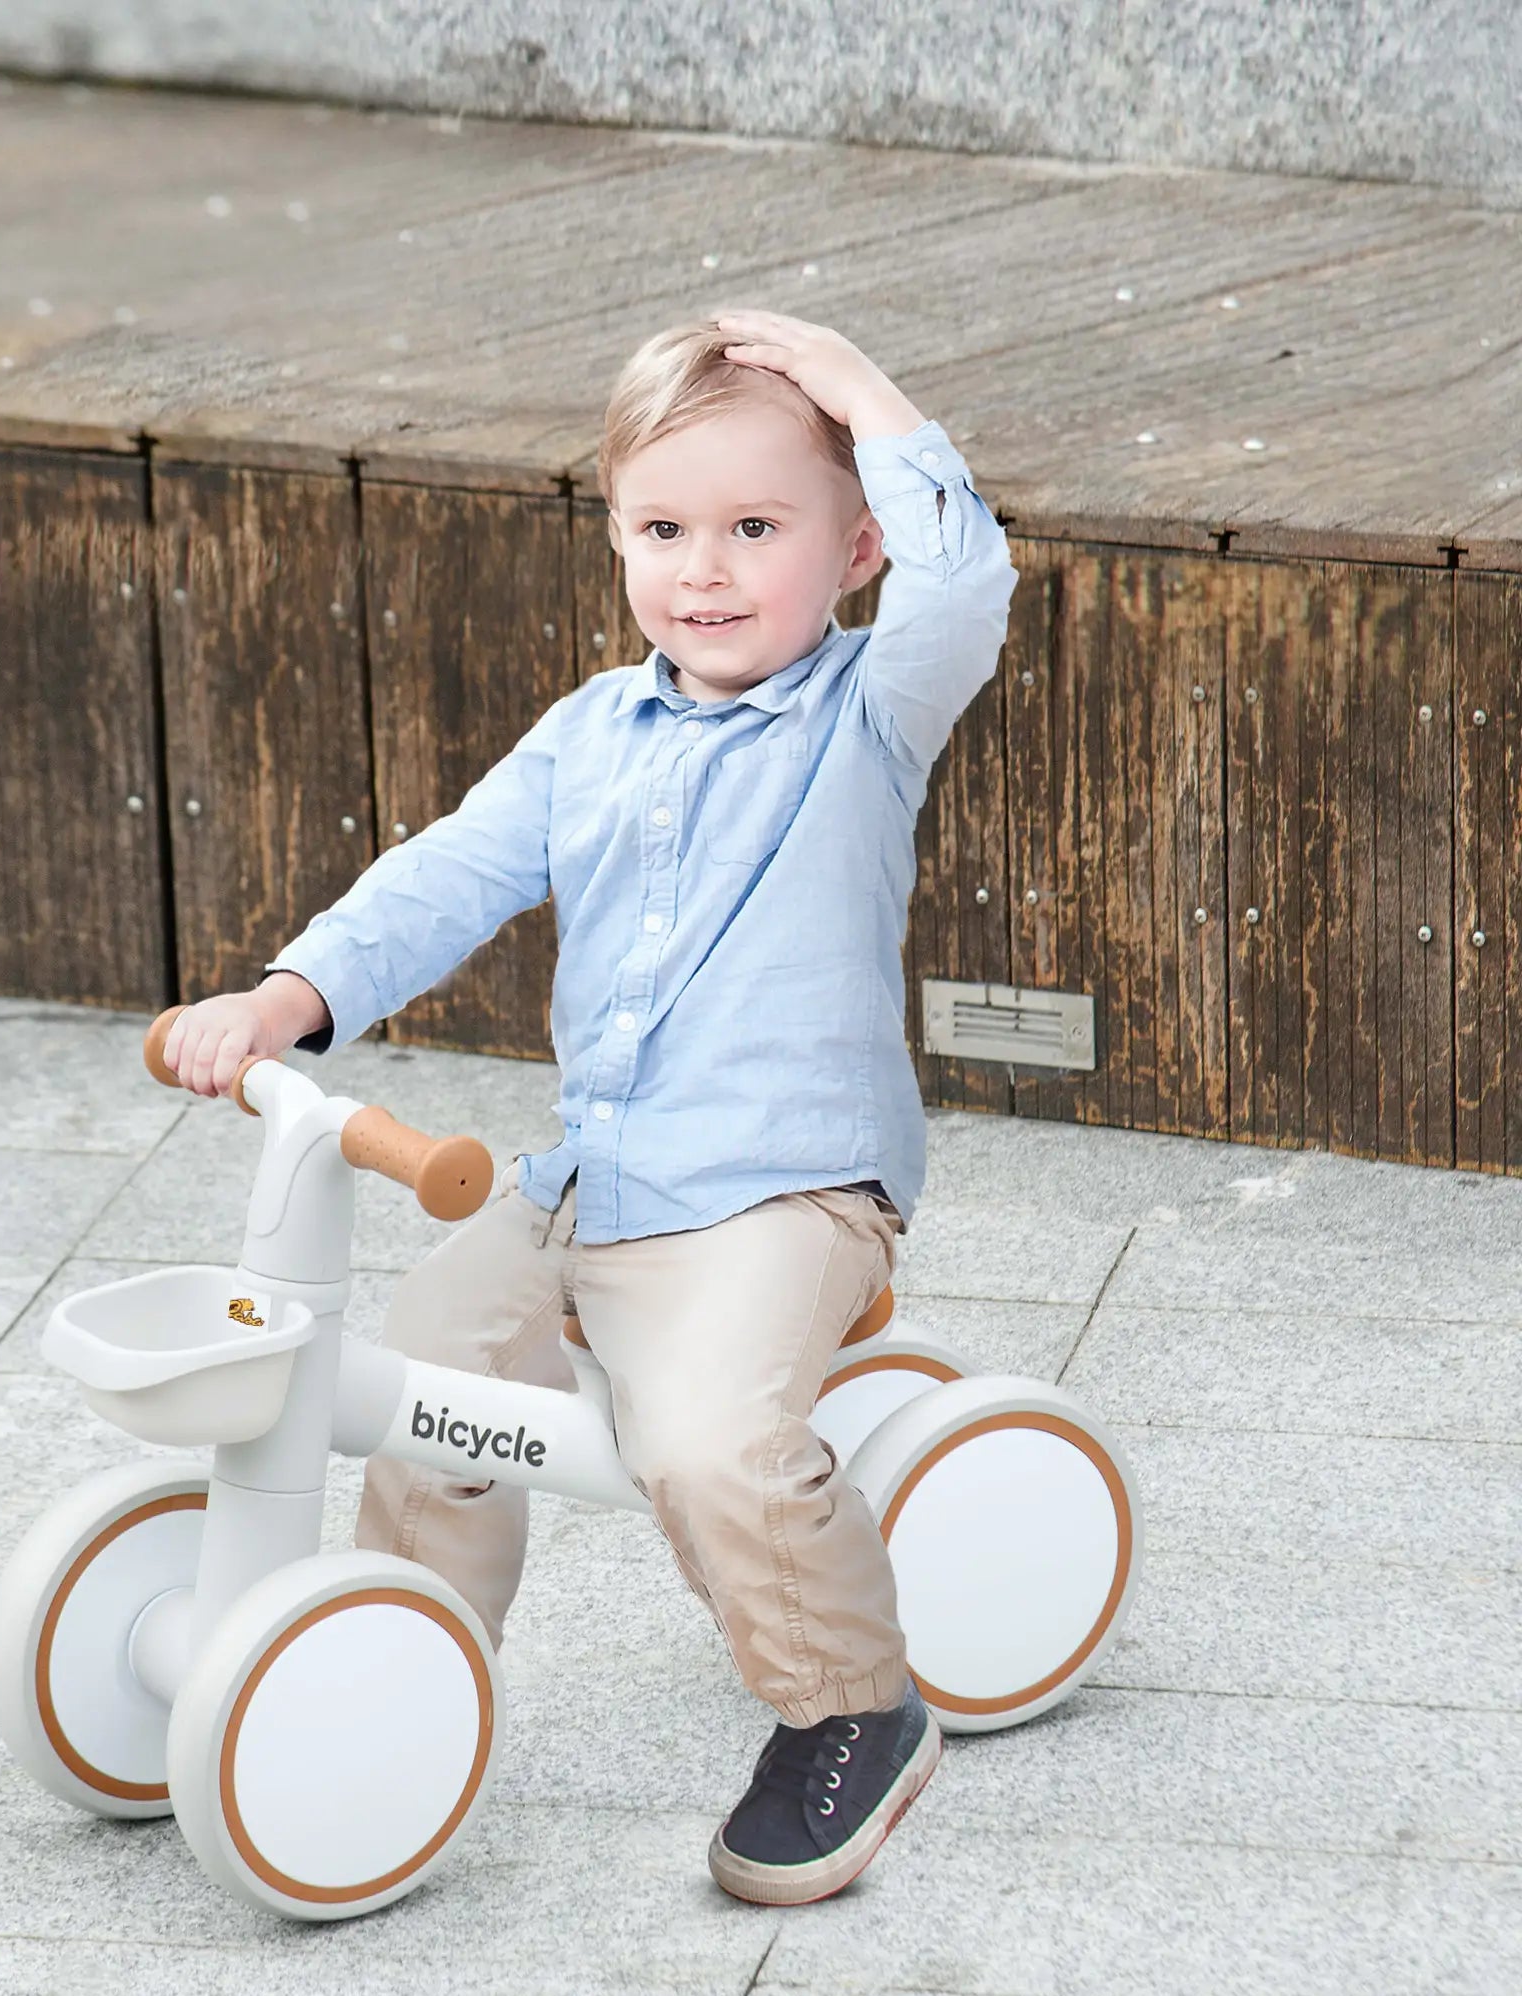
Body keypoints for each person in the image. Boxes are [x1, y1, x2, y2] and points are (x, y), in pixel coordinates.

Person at [161, 307, 1019, 1906]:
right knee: (416, 1374)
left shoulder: (868, 718)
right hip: (590, 1182)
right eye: (665, 528)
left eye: (757, 528)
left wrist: (844, 380)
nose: (705, 568)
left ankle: (854, 1705)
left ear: (855, 551)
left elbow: (971, 580)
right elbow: (446, 878)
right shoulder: (591, 735)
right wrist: (288, 998)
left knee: (705, 1443)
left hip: (782, 1193)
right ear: (616, 533)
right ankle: (402, 1671)